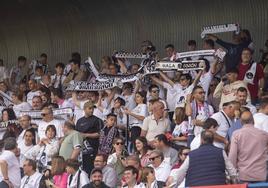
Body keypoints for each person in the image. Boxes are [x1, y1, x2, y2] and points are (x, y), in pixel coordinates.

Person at [229, 110, 268, 183]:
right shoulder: (264, 135)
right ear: (253, 121)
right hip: (261, 175)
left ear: (241, 121)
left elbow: (232, 156)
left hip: (244, 175)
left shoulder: (236, 134)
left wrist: (232, 174)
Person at [76, 101, 103, 174]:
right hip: (82, 149)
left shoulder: (97, 120)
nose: (92, 110)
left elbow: (100, 134)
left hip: (93, 148)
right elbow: (76, 134)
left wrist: (86, 135)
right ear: (84, 109)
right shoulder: (79, 121)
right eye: (90, 108)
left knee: (92, 169)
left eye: (93, 109)